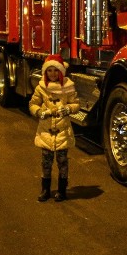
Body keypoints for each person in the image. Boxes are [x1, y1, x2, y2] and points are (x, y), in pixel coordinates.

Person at [29, 54, 80, 202]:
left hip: (63, 131)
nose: (52, 73)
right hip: (46, 131)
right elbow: (33, 104)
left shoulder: (68, 87)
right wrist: (39, 112)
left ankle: (62, 190)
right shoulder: (41, 88)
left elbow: (76, 104)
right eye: (49, 70)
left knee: (63, 162)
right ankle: (45, 190)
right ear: (45, 72)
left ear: (61, 72)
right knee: (46, 162)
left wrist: (68, 109)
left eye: (55, 70)